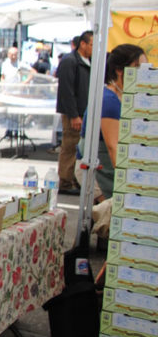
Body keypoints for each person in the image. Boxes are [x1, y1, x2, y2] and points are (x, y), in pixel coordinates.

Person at [80, 43, 148, 207]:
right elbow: (114, 147)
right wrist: (130, 182)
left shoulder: (125, 96)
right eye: (137, 67)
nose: (143, 73)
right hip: (99, 173)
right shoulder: (109, 100)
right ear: (119, 70)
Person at [55, 30, 93, 195]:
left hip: (83, 111)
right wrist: (73, 115)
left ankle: (74, 179)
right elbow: (67, 90)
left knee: (80, 147)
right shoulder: (70, 61)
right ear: (82, 44)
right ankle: (65, 181)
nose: (94, 48)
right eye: (92, 44)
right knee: (70, 146)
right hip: (74, 113)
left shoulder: (87, 61)